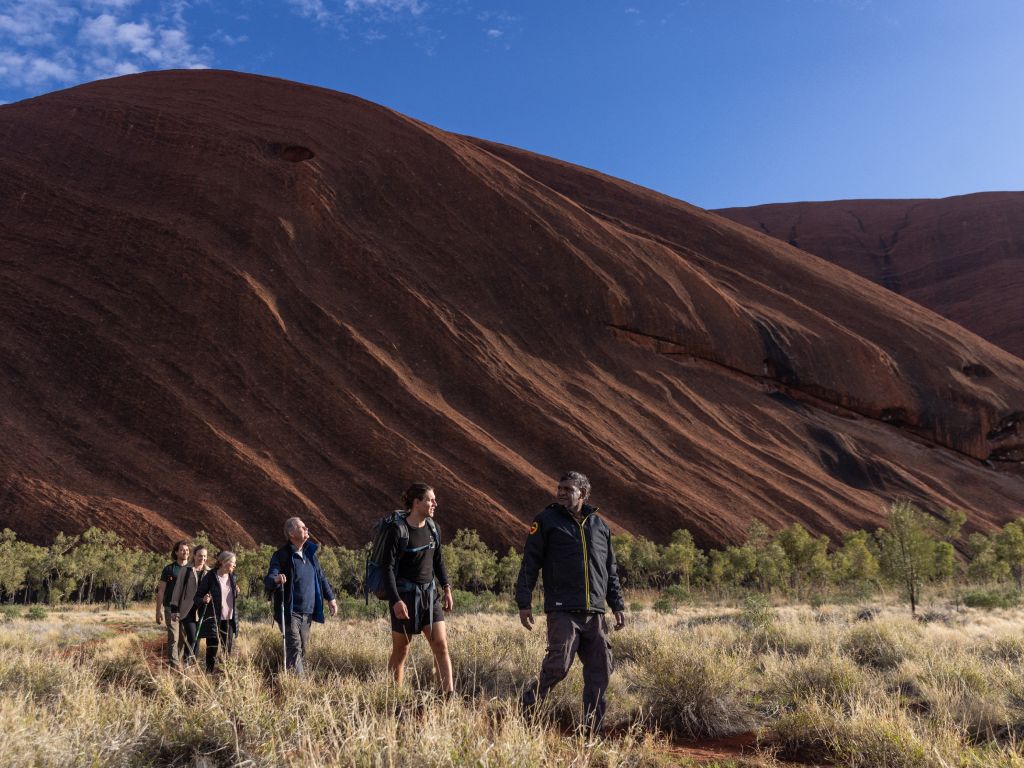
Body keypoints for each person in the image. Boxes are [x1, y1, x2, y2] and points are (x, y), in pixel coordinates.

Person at [515, 471, 626, 733]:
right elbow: (530, 563)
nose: (561, 492)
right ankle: (528, 709)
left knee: (601, 671)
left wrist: (617, 605)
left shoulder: (600, 526)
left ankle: (592, 730)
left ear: (583, 494)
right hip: (563, 610)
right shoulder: (546, 521)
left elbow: (610, 570)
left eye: (568, 489)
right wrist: (524, 601)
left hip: (595, 613)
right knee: (558, 666)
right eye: (559, 488)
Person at [381, 483, 455, 694]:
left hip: (430, 596)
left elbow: (438, 560)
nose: (435, 504)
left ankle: (447, 696)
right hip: (405, 597)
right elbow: (387, 569)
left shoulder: (433, 528)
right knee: (401, 650)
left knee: (441, 647)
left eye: (434, 500)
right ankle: (393, 696)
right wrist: (395, 601)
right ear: (416, 503)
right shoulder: (398, 530)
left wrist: (447, 588)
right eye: (430, 500)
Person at [265, 517, 339, 676]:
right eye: (303, 527)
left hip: (308, 612)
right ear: (291, 533)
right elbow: (270, 577)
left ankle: (288, 675)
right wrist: (275, 579)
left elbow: (321, 577)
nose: (307, 529)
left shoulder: (311, 555)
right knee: (294, 647)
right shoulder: (281, 555)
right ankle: (300, 687)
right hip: (289, 612)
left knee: (302, 648)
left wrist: (331, 598)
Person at [194, 550, 239, 673]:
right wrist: (203, 599)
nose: (235, 565)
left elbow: (230, 596)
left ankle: (226, 674)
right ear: (223, 562)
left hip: (229, 619)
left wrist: (236, 592)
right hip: (214, 618)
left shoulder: (233, 577)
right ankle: (209, 673)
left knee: (227, 648)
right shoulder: (210, 577)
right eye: (232, 562)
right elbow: (197, 596)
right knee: (212, 648)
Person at [169, 545, 211, 667]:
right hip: (187, 610)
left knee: (197, 639)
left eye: (204, 556)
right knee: (193, 637)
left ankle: (191, 665)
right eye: (200, 556)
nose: (202, 558)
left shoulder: (209, 572)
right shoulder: (186, 570)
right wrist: (174, 609)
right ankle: (188, 663)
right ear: (194, 556)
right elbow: (177, 590)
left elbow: (214, 590)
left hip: (201, 610)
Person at [154, 539, 190, 668]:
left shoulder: (193, 568)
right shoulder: (169, 569)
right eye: (182, 550)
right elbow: (161, 590)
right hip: (171, 608)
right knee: (173, 637)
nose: (185, 552)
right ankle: (175, 667)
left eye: (186, 550)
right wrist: (158, 611)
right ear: (176, 552)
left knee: (183, 638)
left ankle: (179, 662)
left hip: (187, 609)